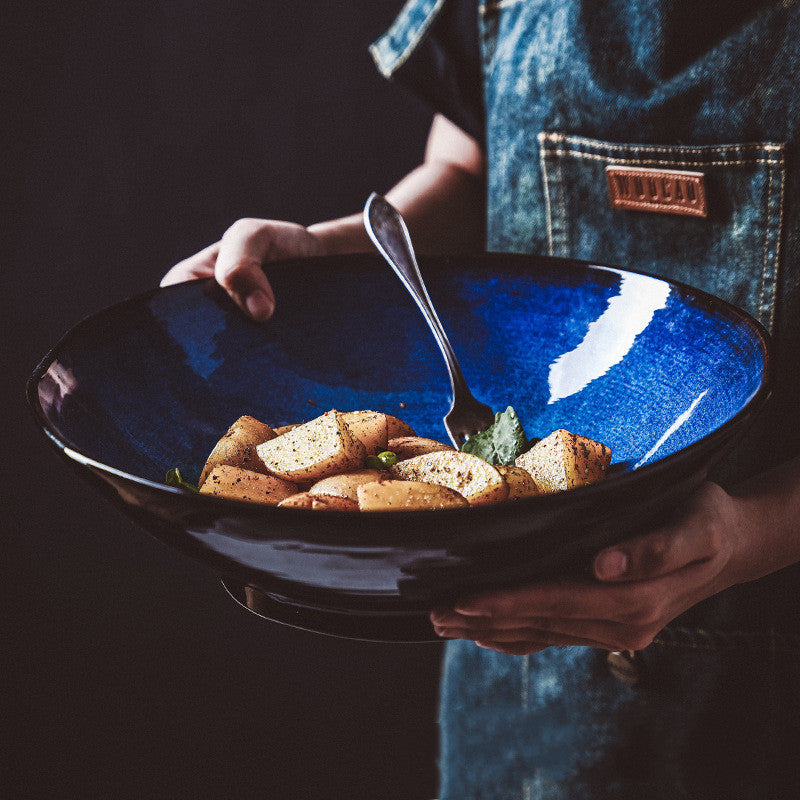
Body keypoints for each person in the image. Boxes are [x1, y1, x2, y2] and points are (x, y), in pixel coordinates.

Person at [162, 1, 800, 796]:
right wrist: (328, 256)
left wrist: (753, 534)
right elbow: (467, 170)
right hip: (508, 679)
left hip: (760, 682)